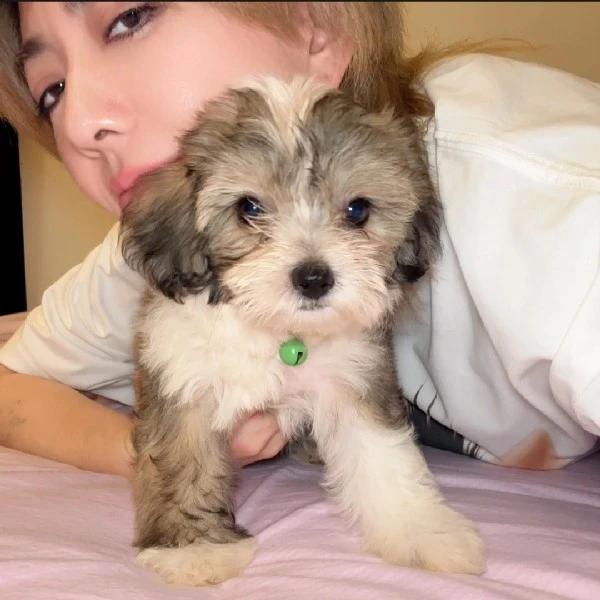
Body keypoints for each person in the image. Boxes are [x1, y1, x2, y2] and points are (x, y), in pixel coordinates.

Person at [0, 2, 598, 479]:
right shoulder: (174, 237)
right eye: (51, 90)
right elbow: (11, 388)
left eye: (129, 18)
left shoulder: (541, 201)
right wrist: (162, 452)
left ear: (317, 29)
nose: (78, 122)